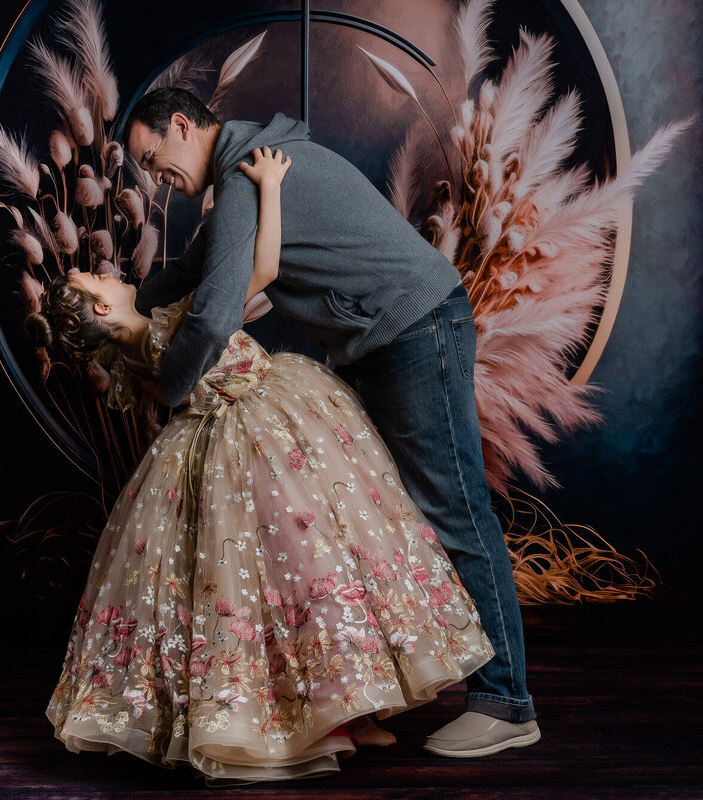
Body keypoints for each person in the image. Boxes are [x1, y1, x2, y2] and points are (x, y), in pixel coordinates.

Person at [33, 146, 492, 784]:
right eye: (98, 283)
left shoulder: (139, 349)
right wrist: (270, 189)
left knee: (280, 580)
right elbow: (264, 267)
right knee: (311, 565)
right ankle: (328, 712)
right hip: (261, 438)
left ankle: (341, 710)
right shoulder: (174, 330)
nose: (110, 274)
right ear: (106, 310)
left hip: (231, 443)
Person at [126, 88, 540, 757]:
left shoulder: (243, 176)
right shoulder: (251, 166)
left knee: (455, 509)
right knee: (383, 519)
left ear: (180, 125)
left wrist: (166, 388)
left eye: (152, 158)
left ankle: (508, 703)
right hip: (385, 340)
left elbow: (213, 310)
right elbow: (195, 270)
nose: (156, 179)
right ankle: (400, 692)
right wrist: (121, 302)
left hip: (412, 327)